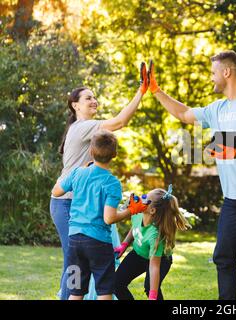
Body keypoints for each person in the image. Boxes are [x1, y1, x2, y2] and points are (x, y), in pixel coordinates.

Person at [148, 50, 236, 300]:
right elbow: (184, 114)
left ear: (227, 72)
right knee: (223, 256)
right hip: (234, 197)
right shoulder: (217, 109)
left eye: (212, 73)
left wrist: (235, 152)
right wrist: (156, 91)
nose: (210, 78)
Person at [50, 62, 150, 300]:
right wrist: (141, 91)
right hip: (66, 202)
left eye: (95, 97)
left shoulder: (88, 130)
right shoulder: (82, 126)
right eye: (88, 98)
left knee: (76, 260)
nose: (94, 101)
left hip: (77, 200)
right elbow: (119, 123)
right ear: (75, 105)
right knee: (72, 262)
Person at [51, 130, 148, 300]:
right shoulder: (112, 183)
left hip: (74, 242)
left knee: (75, 291)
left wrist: (75, 174)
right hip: (98, 243)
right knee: (104, 290)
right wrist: (132, 210)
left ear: (90, 151)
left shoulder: (77, 173)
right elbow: (109, 218)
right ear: (114, 155)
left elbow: (56, 191)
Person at [114, 185, 190, 300]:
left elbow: (154, 267)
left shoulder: (155, 236)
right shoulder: (138, 214)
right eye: (144, 195)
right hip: (139, 254)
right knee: (117, 283)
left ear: (152, 210)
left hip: (160, 259)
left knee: (150, 288)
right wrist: (124, 245)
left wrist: (152, 296)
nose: (141, 199)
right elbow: (135, 228)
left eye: (145, 199)